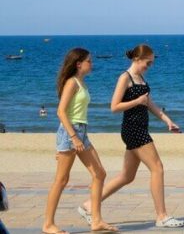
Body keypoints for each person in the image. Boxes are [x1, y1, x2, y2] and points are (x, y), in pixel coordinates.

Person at [79, 44, 184, 228]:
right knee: (157, 168)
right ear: (137, 59)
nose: (149, 66)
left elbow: (149, 104)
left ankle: (89, 205)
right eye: (147, 62)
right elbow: (114, 107)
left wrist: (167, 121)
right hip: (133, 130)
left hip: (139, 129)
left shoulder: (141, 78)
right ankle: (162, 216)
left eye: (151, 63)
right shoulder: (125, 78)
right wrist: (137, 101)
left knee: (127, 176)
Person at [43, 48, 118, 234]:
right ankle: (48, 224)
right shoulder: (72, 83)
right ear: (79, 64)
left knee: (99, 174)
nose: (91, 64)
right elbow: (60, 112)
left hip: (81, 131)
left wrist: (79, 136)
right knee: (61, 180)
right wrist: (73, 137)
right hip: (72, 133)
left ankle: (96, 221)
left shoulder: (81, 83)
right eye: (89, 61)